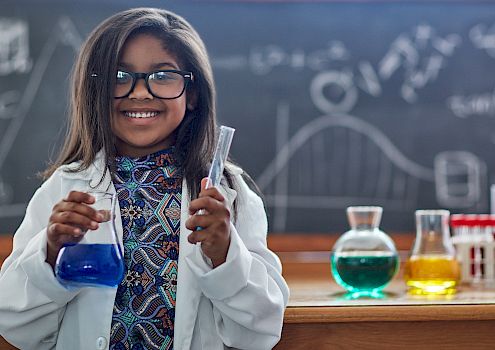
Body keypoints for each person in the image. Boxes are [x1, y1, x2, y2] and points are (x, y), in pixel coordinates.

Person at [0, 7, 289, 350]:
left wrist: (226, 256)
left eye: (163, 75)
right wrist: (49, 254)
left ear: (192, 93)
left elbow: (260, 332)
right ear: (95, 90)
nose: (140, 93)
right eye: (119, 76)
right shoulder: (64, 190)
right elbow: (15, 325)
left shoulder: (228, 194)